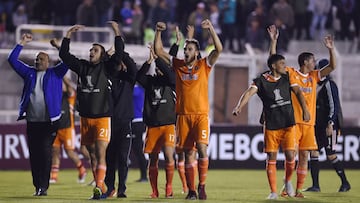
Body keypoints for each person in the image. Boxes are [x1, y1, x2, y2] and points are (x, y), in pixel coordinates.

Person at [154, 19, 223, 200]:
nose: (186, 52)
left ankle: (202, 186)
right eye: (185, 49)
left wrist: (211, 30)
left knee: (201, 148)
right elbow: (158, 51)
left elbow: (219, 49)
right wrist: (158, 32)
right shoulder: (178, 65)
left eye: (189, 49)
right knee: (187, 153)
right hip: (183, 116)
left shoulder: (204, 65)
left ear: (197, 52)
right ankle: (192, 190)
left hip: (200, 115)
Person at [268, 24, 337, 198]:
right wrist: (273, 41)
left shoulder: (314, 76)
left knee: (304, 156)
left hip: (309, 123)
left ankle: (297, 191)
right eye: (313, 60)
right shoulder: (291, 73)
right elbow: (273, 62)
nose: (315, 63)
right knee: (291, 155)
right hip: (293, 122)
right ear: (305, 62)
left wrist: (331, 49)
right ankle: (287, 184)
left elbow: (332, 67)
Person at [232, 53, 310, 200]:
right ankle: (273, 192)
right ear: (273, 66)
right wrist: (239, 106)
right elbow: (249, 93)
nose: (284, 66)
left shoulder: (287, 77)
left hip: (288, 123)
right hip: (272, 125)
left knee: (290, 156)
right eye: (281, 63)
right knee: (272, 157)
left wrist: (305, 109)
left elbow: (298, 92)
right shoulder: (261, 80)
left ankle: (287, 181)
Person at [59, 21, 122, 199]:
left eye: (95, 50)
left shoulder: (107, 68)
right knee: (92, 155)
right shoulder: (82, 67)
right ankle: (103, 189)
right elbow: (64, 54)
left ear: (102, 55)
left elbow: (118, 56)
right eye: (90, 50)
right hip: (85, 118)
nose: (91, 52)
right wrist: (68, 34)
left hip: (102, 117)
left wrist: (117, 32)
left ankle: (100, 187)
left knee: (101, 152)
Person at [8, 33, 68, 196]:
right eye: (36, 59)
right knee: (34, 154)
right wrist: (21, 43)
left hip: (50, 122)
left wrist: (58, 47)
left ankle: (44, 186)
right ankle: (38, 186)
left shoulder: (55, 73)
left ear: (48, 62)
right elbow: (12, 60)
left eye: (41, 59)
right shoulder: (28, 72)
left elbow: (68, 61)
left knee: (45, 152)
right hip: (33, 121)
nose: (37, 61)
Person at [304, 59, 351, 192]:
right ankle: (315, 186)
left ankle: (345, 183)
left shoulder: (330, 84)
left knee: (331, 154)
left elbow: (334, 105)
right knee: (314, 151)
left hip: (330, 127)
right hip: (318, 126)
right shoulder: (318, 85)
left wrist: (331, 122)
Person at [136, 45, 176, 198]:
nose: (160, 69)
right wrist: (148, 61)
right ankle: (154, 190)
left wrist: (158, 58)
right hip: (152, 126)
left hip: (168, 125)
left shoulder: (171, 81)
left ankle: (169, 186)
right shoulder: (150, 81)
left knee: (168, 155)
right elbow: (138, 77)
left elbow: (168, 72)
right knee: (152, 159)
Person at [48, 39, 87, 184]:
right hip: (57, 128)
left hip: (67, 128)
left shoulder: (70, 97)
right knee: (55, 152)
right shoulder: (56, 96)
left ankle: (82, 169)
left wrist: (61, 75)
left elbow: (70, 87)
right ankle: (54, 176)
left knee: (70, 152)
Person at [103, 41, 138, 199]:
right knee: (110, 159)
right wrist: (112, 56)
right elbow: (105, 64)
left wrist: (121, 52)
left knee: (123, 159)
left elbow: (132, 66)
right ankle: (110, 188)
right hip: (109, 123)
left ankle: (122, 190)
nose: (121, 64)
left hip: (124, 124)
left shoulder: (129, 79)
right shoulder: (107, 76)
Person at [131, 83, 148, 183]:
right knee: (137, 149)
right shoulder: (141, 89)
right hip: (136, 120)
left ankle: (144, 176)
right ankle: (144, 175)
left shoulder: (136, 90)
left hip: (137, 121)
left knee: (138, 149)